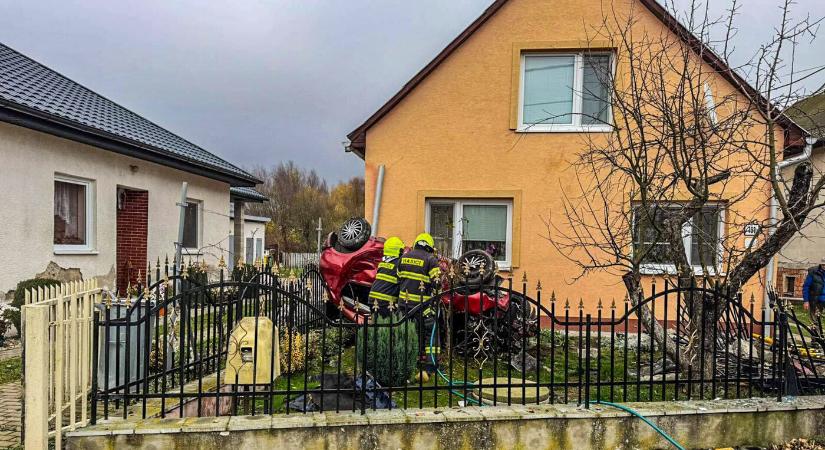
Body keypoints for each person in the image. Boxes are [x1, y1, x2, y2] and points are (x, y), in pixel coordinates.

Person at [397, 233, 442, 373]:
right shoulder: (431, 259)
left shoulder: (403, 258)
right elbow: (437, 283)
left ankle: (407, 363)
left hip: (404, 306)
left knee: (407, 334)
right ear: (429, 246)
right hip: (423, 307)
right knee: (431, 334)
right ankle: (430, 365)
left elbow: (399, 280)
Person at [367, 236, 405, 318]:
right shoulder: (399, 264)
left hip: (372, 299)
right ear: (399, 250)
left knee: (377, 326)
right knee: (389, 326)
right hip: (385, 302)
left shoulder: (383, 263)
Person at [803, 258, 825, 324]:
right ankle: (815, 334)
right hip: (815, 300)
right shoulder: (813, 272)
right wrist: (806, 301)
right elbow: (806, 286)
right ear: (821, 264)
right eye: (823, 265)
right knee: (815, 322)